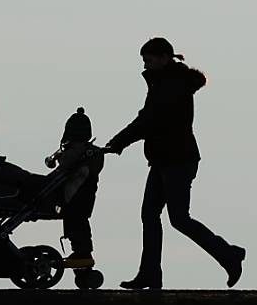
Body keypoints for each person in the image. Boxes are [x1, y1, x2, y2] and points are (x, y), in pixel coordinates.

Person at [106, 37, 246, 290]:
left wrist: (119, 142)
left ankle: (228, 254)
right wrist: (120, 141)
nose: (145, 66)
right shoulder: (164, 82)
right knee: (150, 215)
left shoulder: (172, 84)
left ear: (163, 58)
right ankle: (150, 274)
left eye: (148, 60)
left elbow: (149, 120)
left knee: (178, 218)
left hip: (178, 159)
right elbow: (147, 118)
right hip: (163, 159)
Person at [58, 108, 104, 270]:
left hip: (74, 196)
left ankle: (82, 252)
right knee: (80, 222)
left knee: (75, 222)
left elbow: (62, 171)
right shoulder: (94, 153)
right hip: (87, 195)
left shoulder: (74, 152)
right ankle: (82, 252)